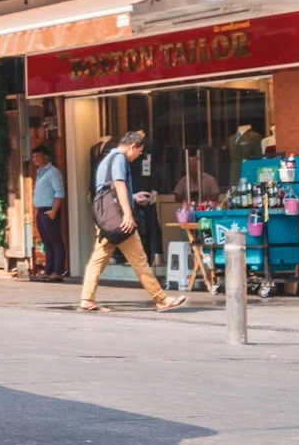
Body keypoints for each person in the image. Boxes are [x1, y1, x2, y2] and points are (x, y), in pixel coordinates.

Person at [79, 130, 187, 313]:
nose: (138, 155)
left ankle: (87, 299)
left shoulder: (106, 159)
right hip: (121, 222)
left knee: (97, 261)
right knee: (140, 261)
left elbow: (108, 190)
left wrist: (133, 196)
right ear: (131, 146)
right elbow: (119, 184)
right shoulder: (120, 159)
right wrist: (128, 215)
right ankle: (161, 299)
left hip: (107, 221)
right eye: (138, 151)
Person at [30, 146, 66, 282]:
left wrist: (54, 211)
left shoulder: (53, 172)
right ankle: (48, 270)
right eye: (34, 157)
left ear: (46, 156)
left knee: (56, 242)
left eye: (38, 156)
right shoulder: (39, 172)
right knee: (47, 242)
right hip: (40, 210)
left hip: (50, 210)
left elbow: (59, 192)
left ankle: (58, 272)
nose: (36, 159)